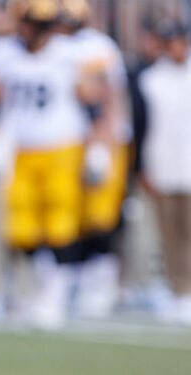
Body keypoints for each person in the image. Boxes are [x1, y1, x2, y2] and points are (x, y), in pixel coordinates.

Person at [0, 0, 104, 329]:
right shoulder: (4, 52)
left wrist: (97, 148)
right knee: (22, 225)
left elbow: (90, 100)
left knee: (61, 222)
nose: (37, 31)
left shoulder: (69, 53)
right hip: (21, 149)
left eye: (42, 24)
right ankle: (37, 290)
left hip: (63, 146)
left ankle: (57, 295)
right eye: (32, 23)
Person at [58, 0, 131, 319]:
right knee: (75, 214)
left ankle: (101, 284)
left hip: (98, 139)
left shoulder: (96, 46)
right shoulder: (61, 47)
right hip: (72, 140)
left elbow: (108, 94)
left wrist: (102, 140)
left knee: (102, 215)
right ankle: (79, 280)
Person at [138, 21, 191, 326]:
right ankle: (180, 290)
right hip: (164, 167)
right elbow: (145, 128)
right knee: (171, 235)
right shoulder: (151, 79)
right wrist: (144, 167)